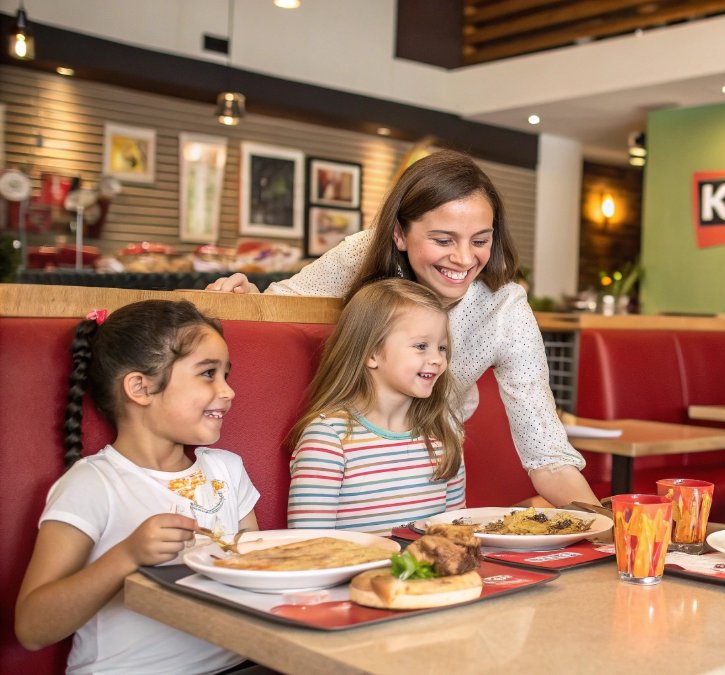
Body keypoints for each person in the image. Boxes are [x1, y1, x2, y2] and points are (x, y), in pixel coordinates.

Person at [207, 151, 598, 507]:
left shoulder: (504, 307)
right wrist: (244, 297)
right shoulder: (363, 254)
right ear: (399, 233)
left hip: (432, 459)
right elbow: (286, 304)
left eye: (480, 240)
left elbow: (548, 458)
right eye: (443, 239)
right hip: (346, 459)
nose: (464, 259)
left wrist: (608, 529)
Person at [14, 301, 259, 674]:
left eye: (226, 374)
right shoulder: (92, 483)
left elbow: (258, 573)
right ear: (141, 388)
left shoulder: (227, 470)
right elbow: (32, 628)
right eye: (208, 374)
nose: (228, 392)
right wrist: (127, 556)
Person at [287, 278, 465, 533]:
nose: (437, 359)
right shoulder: (328, 438)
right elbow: (309, 545)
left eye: (442, 348)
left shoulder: (446, 436)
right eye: (421, 346)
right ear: (372, 354)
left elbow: (455, 535)